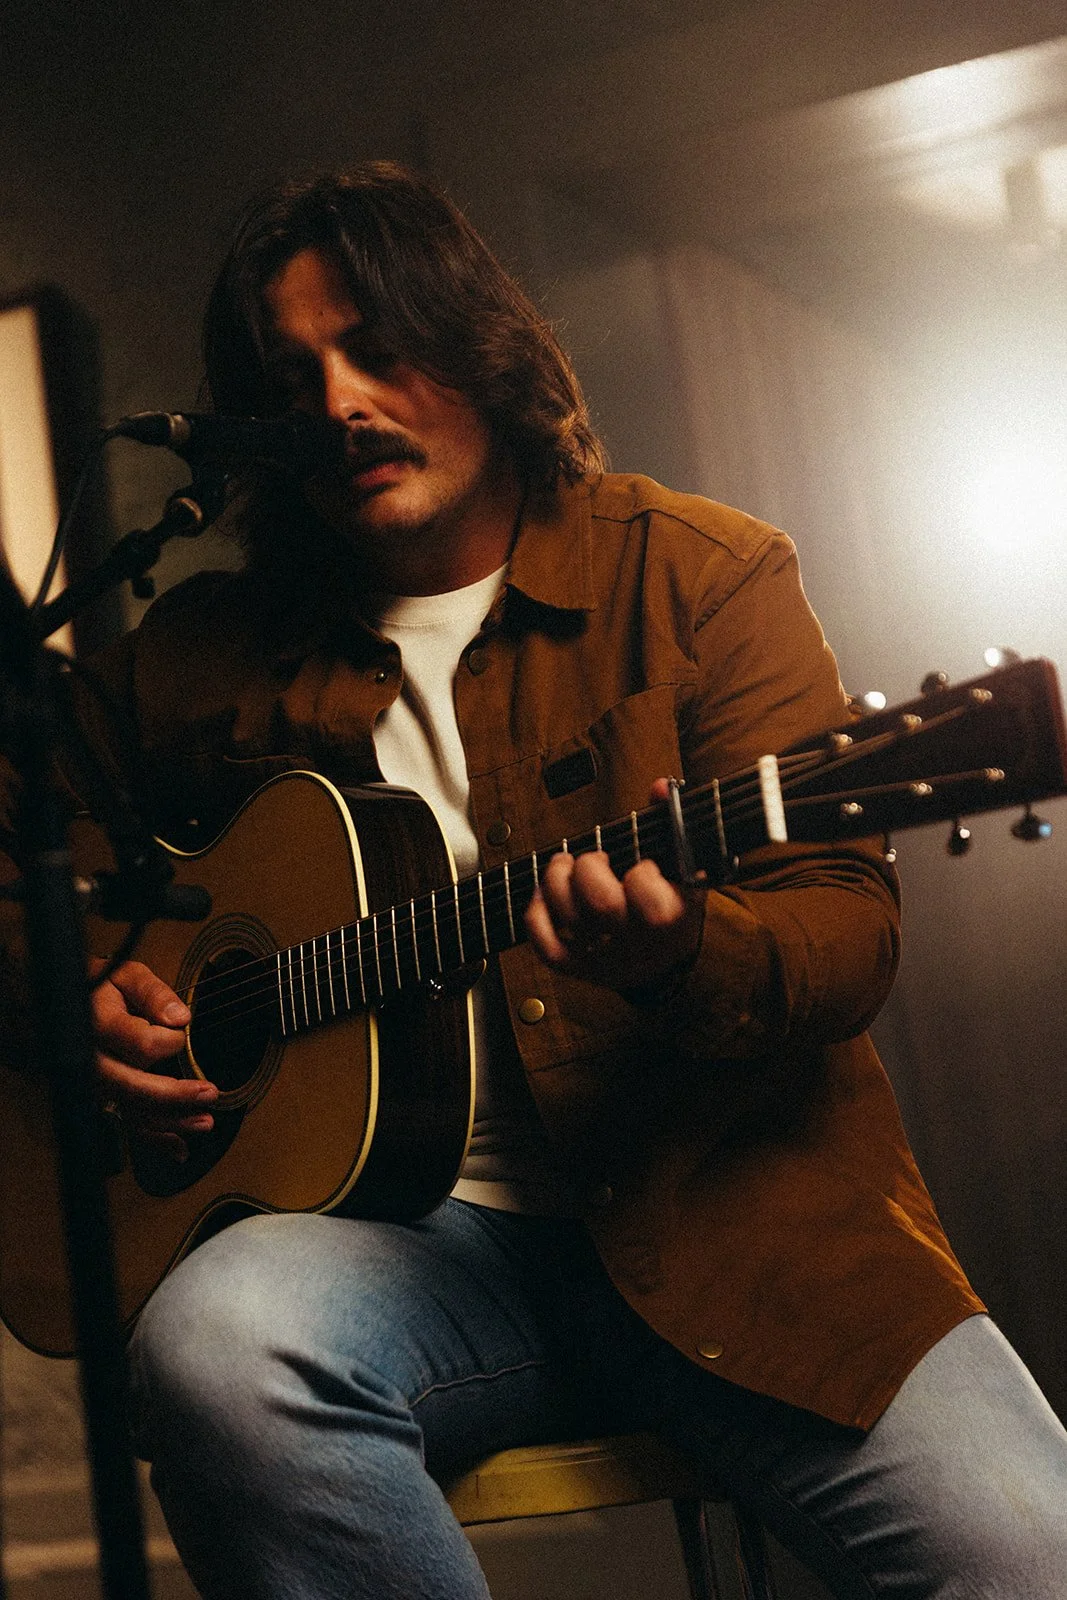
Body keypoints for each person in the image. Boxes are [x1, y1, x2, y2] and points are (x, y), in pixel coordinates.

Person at [8, 162, 1067, 1597]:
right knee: (214, 1344)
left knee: (1030, 1557)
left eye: (377, 349)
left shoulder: (701, 575)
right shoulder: (207, 653)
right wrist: (67, 983)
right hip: (407, 1257)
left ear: (479, 345)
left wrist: (678, 956)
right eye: (294, 379)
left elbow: (842, 930)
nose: (339, 405)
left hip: (740, 1229)